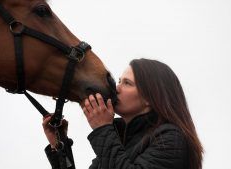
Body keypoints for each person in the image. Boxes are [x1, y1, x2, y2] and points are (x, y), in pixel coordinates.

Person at [42, 58, 203, 169]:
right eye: (119, 81)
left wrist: (103, 129)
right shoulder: (118, 139)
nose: (116, 88)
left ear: (150, 98)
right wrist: (59, 145)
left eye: (127, 83)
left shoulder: (170, 138)